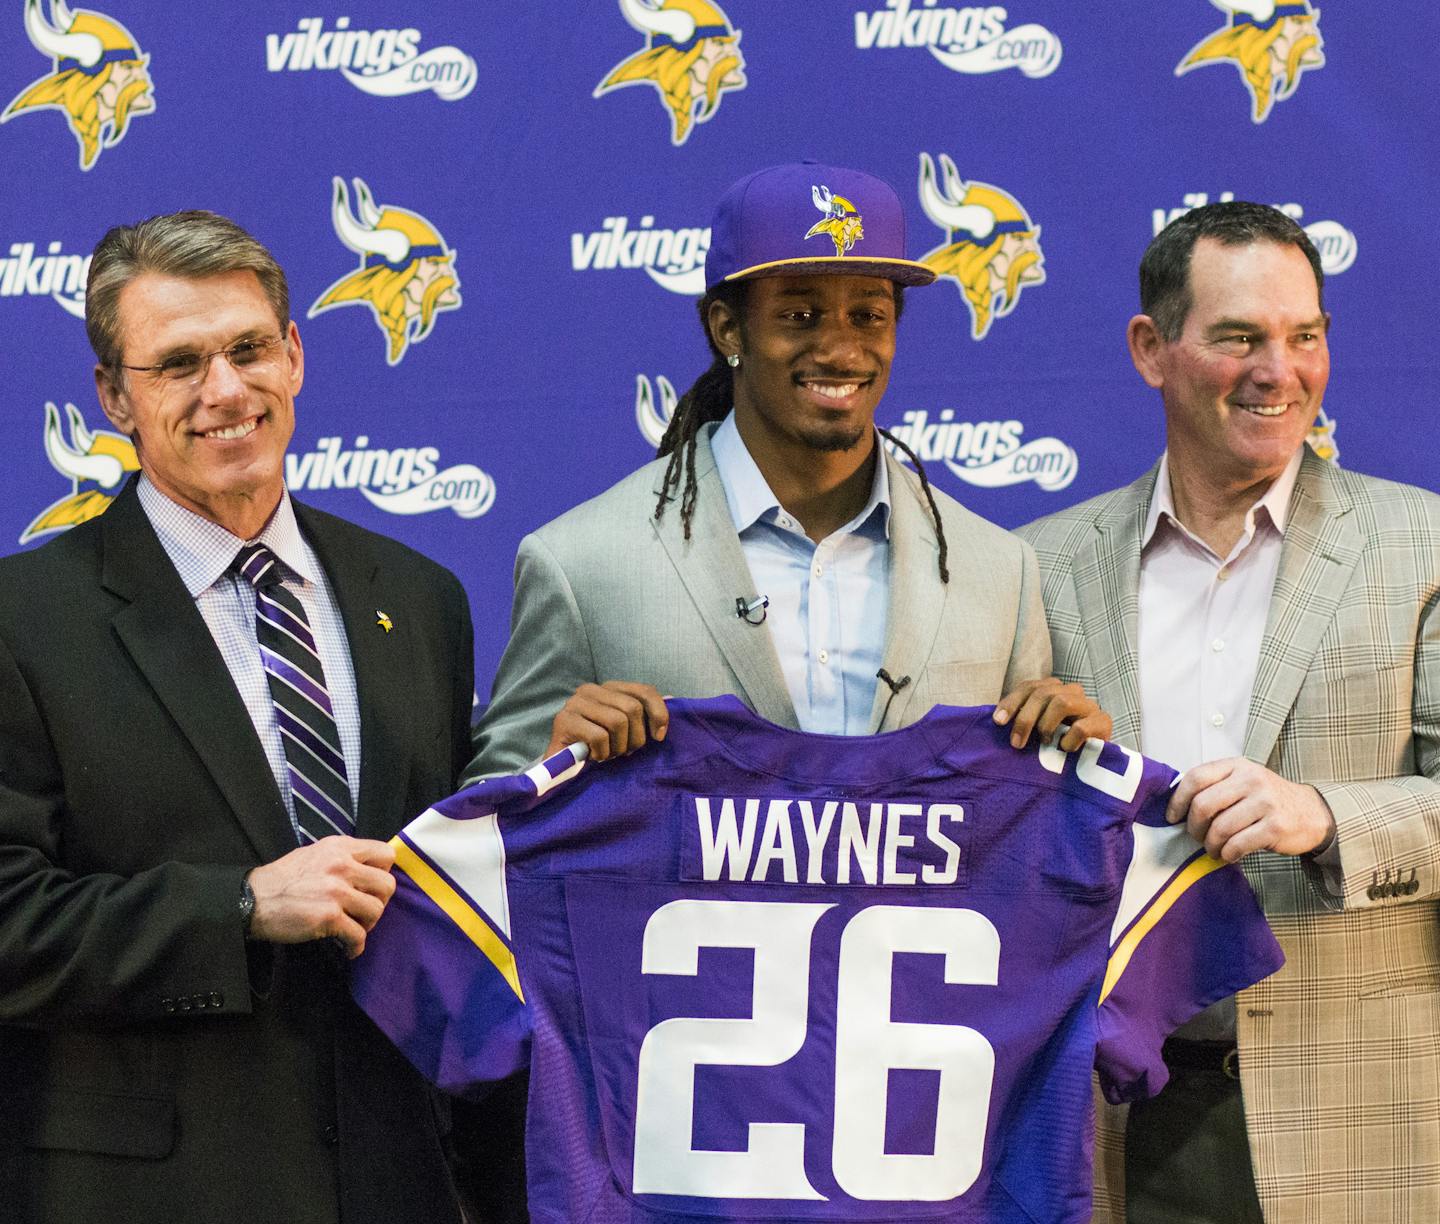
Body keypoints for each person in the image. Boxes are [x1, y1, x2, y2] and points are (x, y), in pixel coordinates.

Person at [0, 211, 477, 1224]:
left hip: (396, 1182)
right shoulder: (23, 622)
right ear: (115, 398)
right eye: (178, 364)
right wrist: (240, 906)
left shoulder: (422, 599)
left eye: (248, 349)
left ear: (294, 356)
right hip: (148, 1194)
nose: (225, 390)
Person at [1017, 201, 1440, 1222]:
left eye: (1306, 338)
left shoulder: (1423, 549)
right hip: (1106, 1124)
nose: (1278, 371)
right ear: (1151, 349)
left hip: (1357, 1125)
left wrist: (1330, 817)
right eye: (1239, 338)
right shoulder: (1036, 566)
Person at [467, 160, 1108, 783]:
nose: (839, 348)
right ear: (727, 329)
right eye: (800, 315)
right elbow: (484, 831)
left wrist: (1074, 762)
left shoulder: (999, 568)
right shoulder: (581, 563)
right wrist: (544, 769)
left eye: (869, 315)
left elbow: (1031, 823)